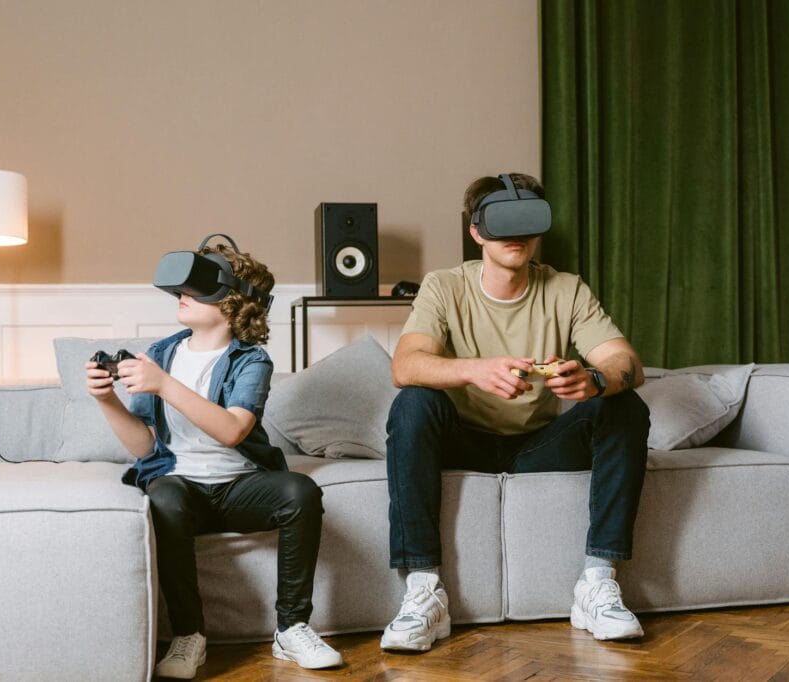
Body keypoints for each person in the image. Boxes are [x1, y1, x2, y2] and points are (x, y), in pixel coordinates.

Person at [380, 174, 651, 651]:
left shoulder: (565, 289)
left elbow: (626, 362)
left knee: (624, 404)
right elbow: (405, 366)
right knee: (413, 403)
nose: (516, 233)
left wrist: (595, 379)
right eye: (502, 221)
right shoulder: (445, 286)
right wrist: (475, 370)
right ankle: (424, 591)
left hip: (537, 445)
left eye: (527, 219)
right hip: (462, 440)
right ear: (477, 231)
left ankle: (597, 583)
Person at [86, 236, 342, 677]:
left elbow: (232, 430)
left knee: (300, 492)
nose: (181, 294)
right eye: (181, 287)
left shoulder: (251, 361)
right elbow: (146, 447)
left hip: (240, 487)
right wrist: (106, 400)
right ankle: (189, 636)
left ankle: (292, 628)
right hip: (182, 488)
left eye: (197, 287)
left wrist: (164, 384)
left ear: (232, 301)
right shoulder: (162, 354)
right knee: (163, 497)